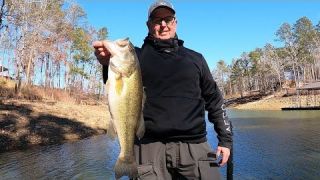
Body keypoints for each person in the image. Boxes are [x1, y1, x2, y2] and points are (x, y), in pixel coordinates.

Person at [93, 0, 233, 179]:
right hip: (147, 148)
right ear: (149, 25)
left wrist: (225, 139)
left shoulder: (196, 59)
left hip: (195, 147)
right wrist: (106, 63)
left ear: (175, 22)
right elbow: (117, 88)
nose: (163, 25)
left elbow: (214, 101)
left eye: (168, 19)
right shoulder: (136, 57)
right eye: (157, 20)